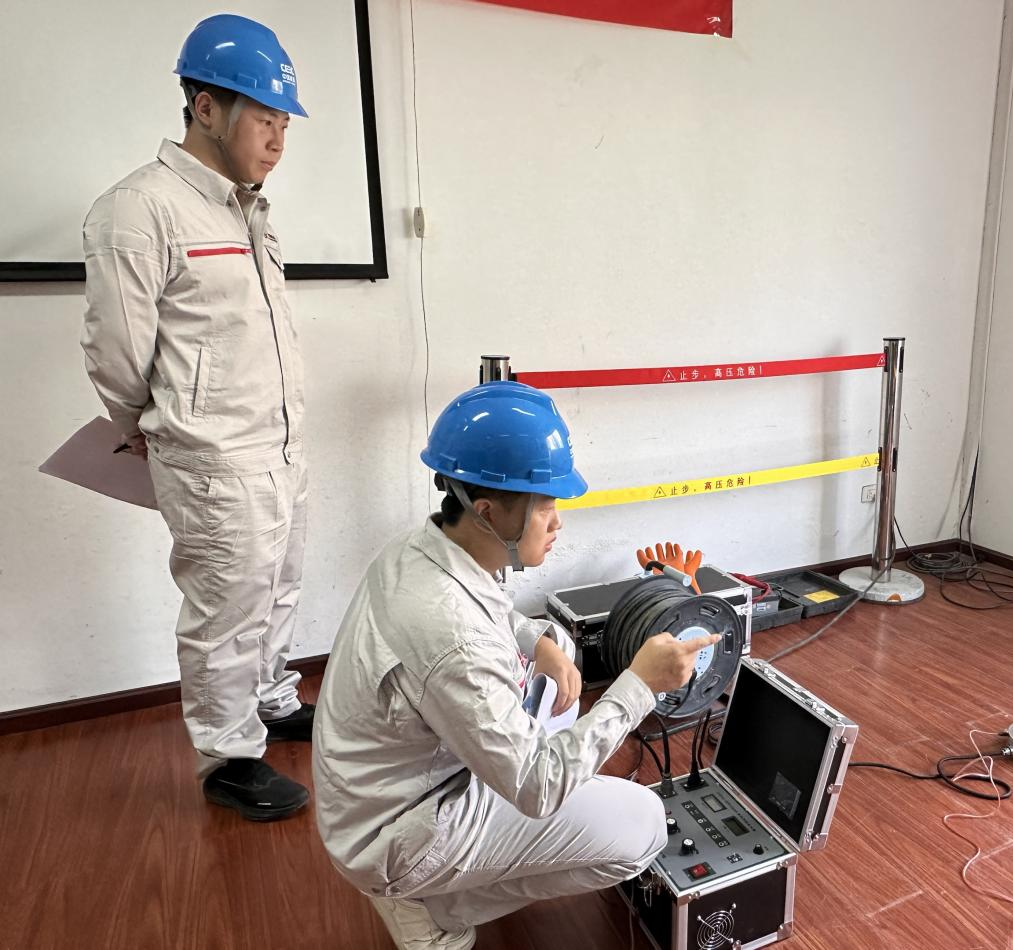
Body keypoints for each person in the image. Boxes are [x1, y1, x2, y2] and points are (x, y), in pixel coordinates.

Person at [313, 381, 716, 949]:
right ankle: (433, 907)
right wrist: (638, 687)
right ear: (488, 512)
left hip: (376, 791)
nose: (558, 522)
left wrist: (537, 640)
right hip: (398, 832)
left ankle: (435, 885)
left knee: (560, 658)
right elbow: (537, 787)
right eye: (545, 506)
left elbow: (484, 612)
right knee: (643, 826)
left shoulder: (419, 551)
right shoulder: (453, 638)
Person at [80, 14, 313, 821]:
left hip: (281, 444)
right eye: (263, 117)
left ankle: (271, 702)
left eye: (285, 122)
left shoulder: (248, 209)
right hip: (213, 457)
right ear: (205, 108)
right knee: (225, 609)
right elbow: (116, 353)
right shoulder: (138, 210)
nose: (277, 139)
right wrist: (157, 428)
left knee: (277, 588)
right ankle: (229, 758)